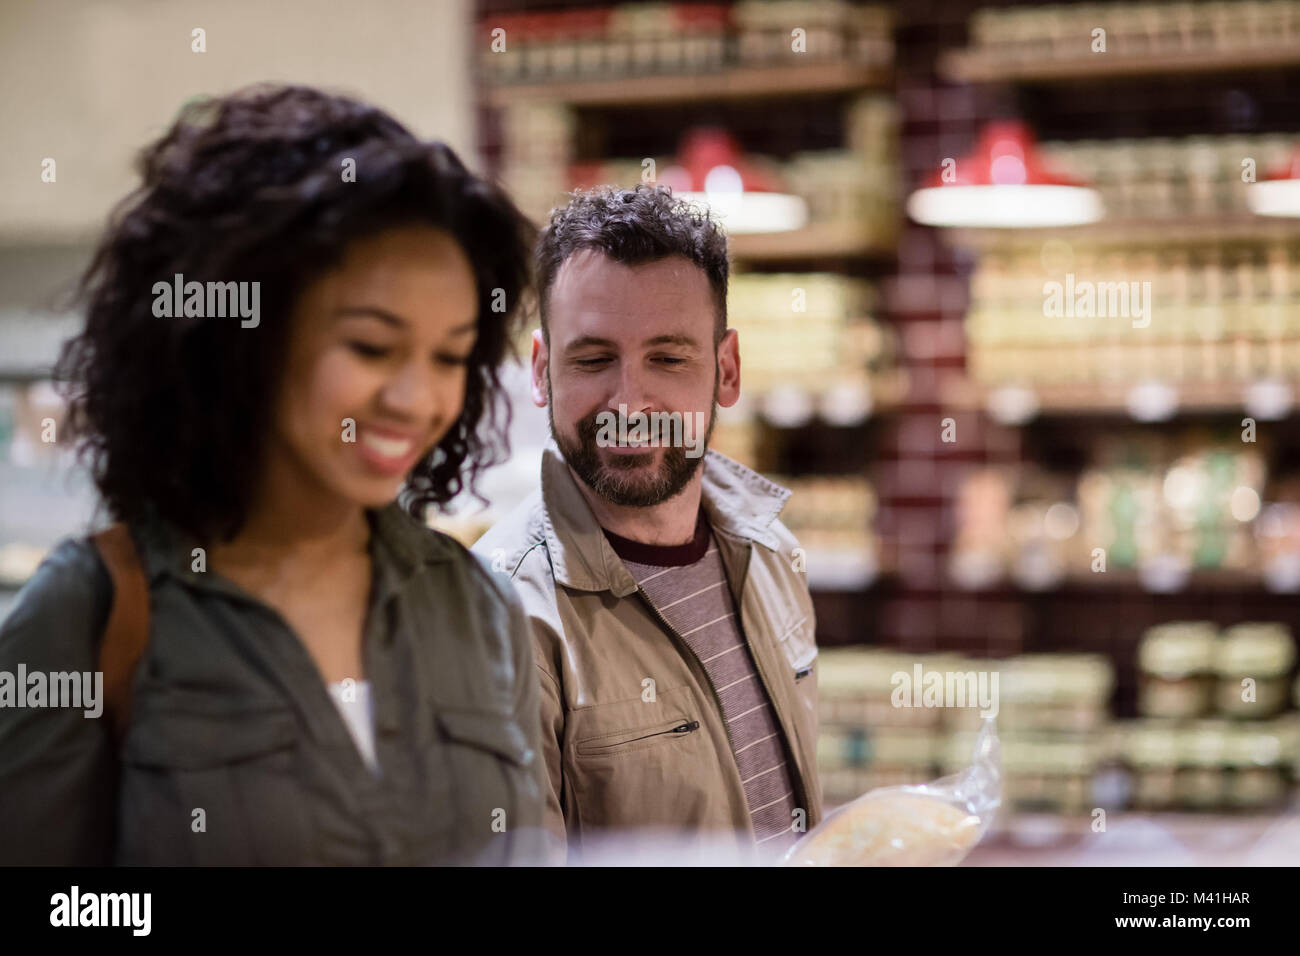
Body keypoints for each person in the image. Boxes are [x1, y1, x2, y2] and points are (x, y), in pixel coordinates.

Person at [0, 84, 546, 865]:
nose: (417, 399)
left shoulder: (480, 604)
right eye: (370, 347)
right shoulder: (90, 617)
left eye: (450, 357)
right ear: (241, 338)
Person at [473, 183, 822, 864]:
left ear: (726, 370)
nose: (630, 403)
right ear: (543, 373)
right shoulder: (499, 618)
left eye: (667, 357)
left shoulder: (771, 552)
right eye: (594, 359)